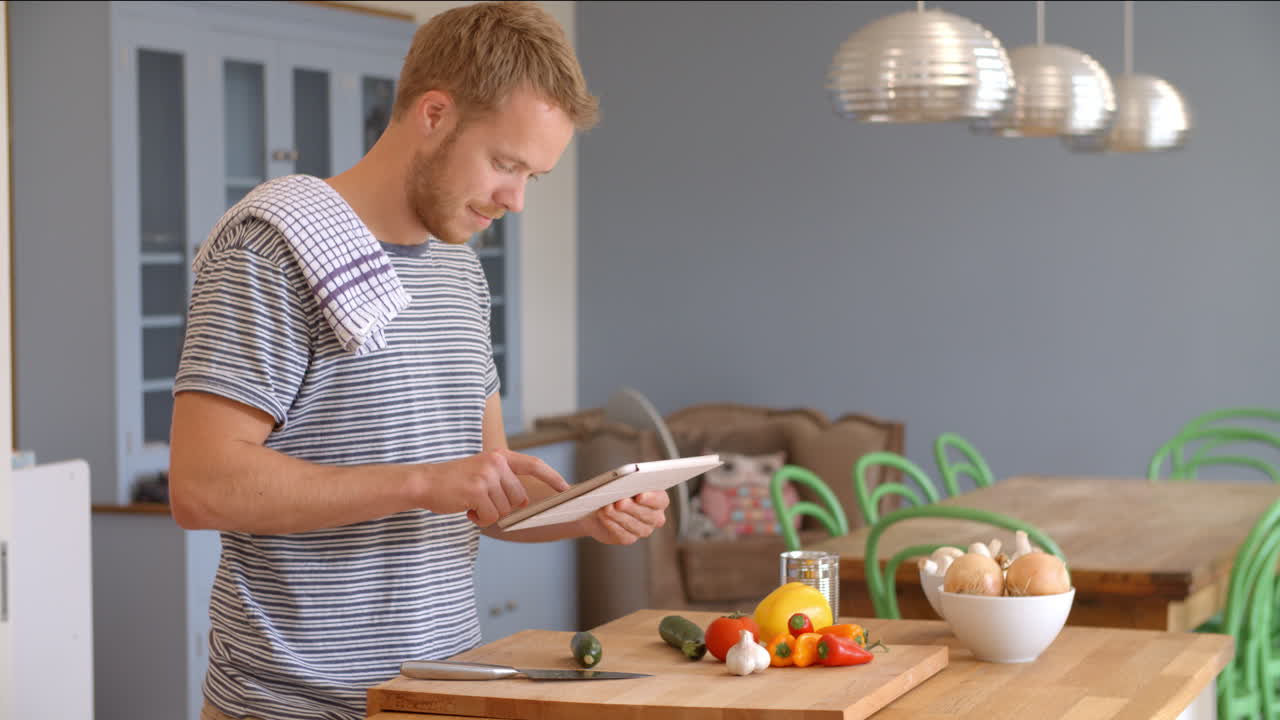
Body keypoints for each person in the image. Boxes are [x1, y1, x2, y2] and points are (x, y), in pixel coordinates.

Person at [168, 4, 670, 719]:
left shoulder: (461, 274)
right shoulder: (269, 251)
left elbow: (481, 497)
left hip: (438, 693)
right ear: (433, 114)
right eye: (504, 163)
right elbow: (202, 486)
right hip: (294, 706)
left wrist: (586, 511)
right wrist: (420, 481)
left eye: (533, 175)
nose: (516, 200)